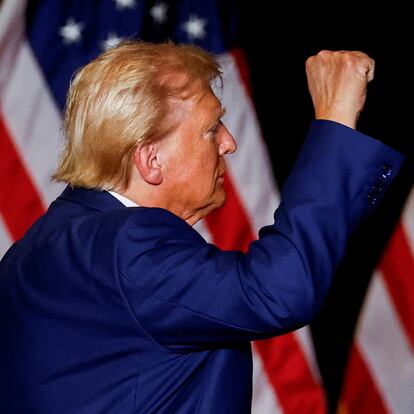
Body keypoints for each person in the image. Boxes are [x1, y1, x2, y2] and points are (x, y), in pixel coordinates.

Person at [0, 41, 404, 413]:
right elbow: (277, 290)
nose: (229, 143)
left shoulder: (33, 251)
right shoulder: (127, 243)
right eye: (212, 129)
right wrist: (334, 119)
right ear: (150, 161)